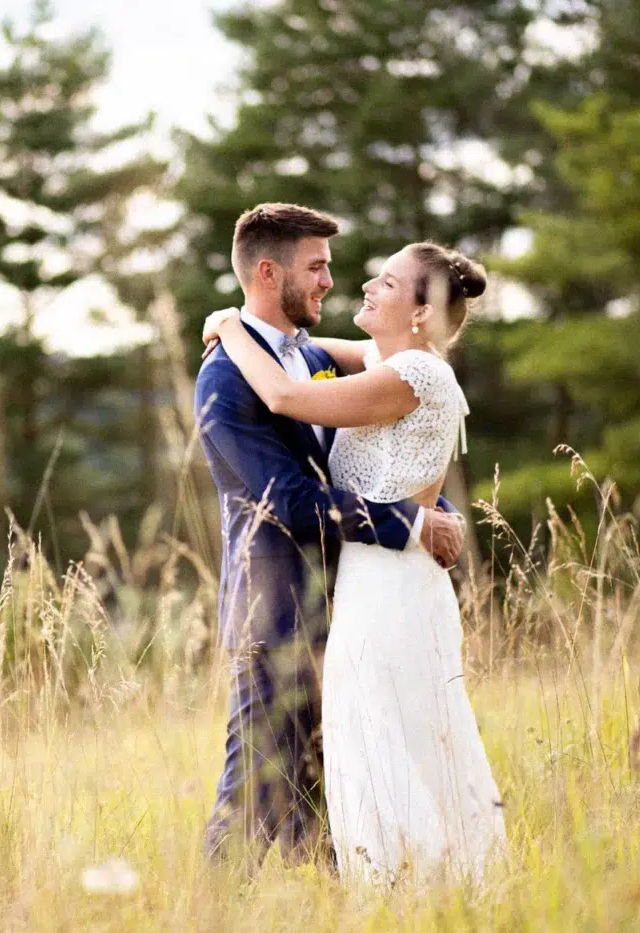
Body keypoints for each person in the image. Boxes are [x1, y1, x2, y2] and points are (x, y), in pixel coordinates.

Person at [201, 234, 507, 885]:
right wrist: (239, 326)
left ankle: (412, 889)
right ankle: (374, 889)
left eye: (387, 283)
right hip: (352, 589)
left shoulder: (415, 372)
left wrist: (229, 326)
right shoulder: (383, 359)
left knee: (387, 744)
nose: (359, 286)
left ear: (421, 313)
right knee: (360, 751)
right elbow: (307, 353)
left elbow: (286, 394)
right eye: (323, 267)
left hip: (388, 590)